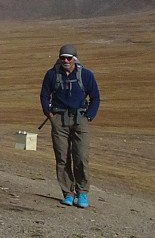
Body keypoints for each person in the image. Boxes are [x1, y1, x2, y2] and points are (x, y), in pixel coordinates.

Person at [40, 44, 100, 208]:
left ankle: (82, 193)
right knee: (62, 157)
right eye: (62, 57)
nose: (65, 60)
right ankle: (67, 193)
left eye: (69, 57)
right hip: (59, 118)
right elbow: (45, 94)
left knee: (81, 156)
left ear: (75, 58)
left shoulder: (86, 75)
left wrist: (89, 115)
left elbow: (95, 97)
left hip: (80, 118)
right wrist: (48, 113)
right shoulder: (52, 74)